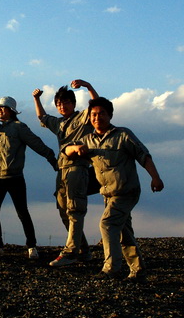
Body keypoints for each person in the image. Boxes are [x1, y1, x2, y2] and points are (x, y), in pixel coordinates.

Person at [64, 97, 164, 282]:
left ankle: (111, 269)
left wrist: (155, 177)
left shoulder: (123, 135)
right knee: (123, 232)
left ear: (110, 115)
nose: (97, 117)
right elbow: (66, 151)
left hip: (126, 191)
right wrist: (77, 149)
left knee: (107, 224)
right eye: (93, 114)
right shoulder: (88, 140)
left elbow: (143, 155)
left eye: (102, 113)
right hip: (108, 194)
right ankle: (138, 271)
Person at [0, 96, 58, 259]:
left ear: (11, 111)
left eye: (2, 108)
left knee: (22, 213)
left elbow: (37, 143)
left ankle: (32, 247)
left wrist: (52, 159)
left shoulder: (20, 128)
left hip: (15, 178)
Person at [32, 79, 99, 268]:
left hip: (78, 167)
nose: (62, 106)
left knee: (75, 209)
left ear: (73, 103)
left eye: (66, 102)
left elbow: (96, 105)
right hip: (61, 170)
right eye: (58, 104)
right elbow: (42, 117)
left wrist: (88, 86)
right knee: (63, 211)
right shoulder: (59, 123)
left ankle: (70, 252)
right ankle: (84, 251)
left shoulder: (83, 118)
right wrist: (36, 99)